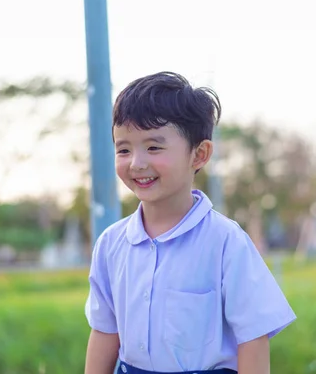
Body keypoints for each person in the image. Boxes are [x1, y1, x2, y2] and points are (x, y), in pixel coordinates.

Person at [84, 72, 296, 374]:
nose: (137, 163)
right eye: (124, 149)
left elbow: (253, 338)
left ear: (199, 154)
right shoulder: (110, 244)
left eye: (154, 147)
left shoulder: (225, 242)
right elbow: (105, 331)